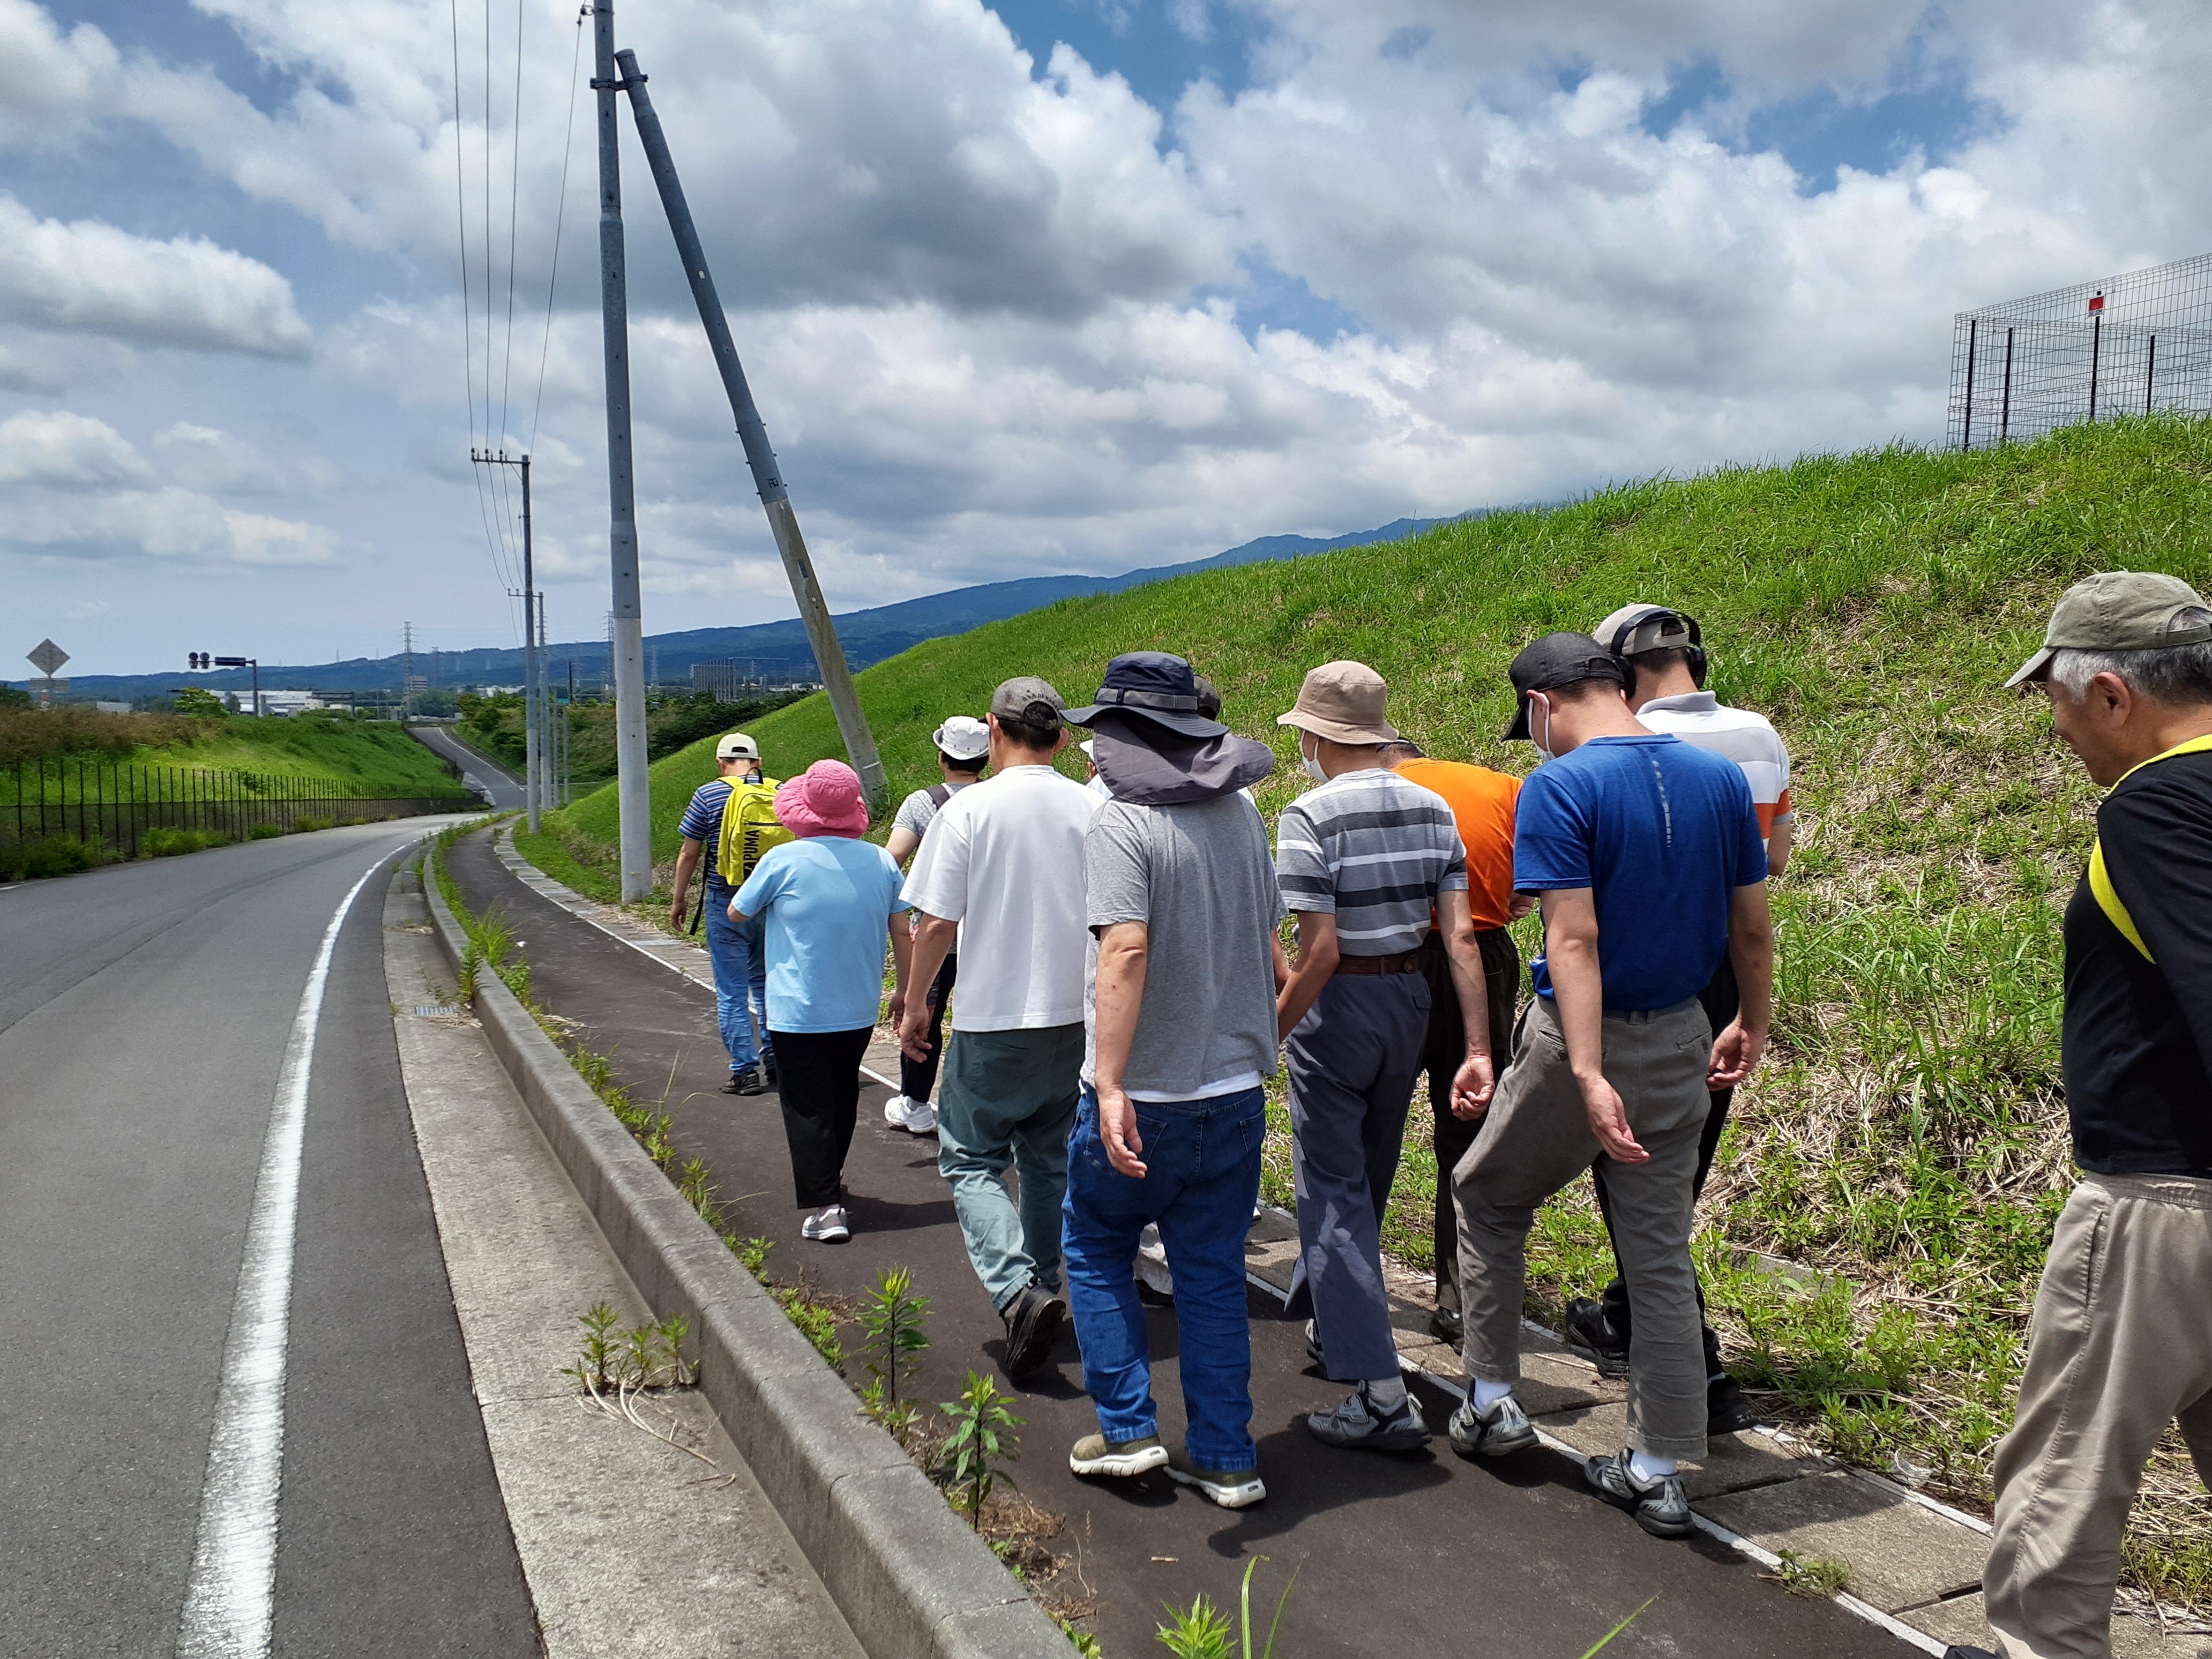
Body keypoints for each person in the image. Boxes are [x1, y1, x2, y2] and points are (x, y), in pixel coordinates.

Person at [1448, 633, 1772, 1541]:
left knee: (1486, 1195)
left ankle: (1489, 1402)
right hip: (1683, 1033)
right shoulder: (1718, 782)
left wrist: (1585, 1071)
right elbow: (1751, 925)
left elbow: (1572, 939)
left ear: (1542, 706)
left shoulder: (1560, 784)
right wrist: (1750, 1018)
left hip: (1577, 1042)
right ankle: (1656, 1467)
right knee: (1658, 1251)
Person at [1947, 573, 2212, 1659]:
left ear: (2110, 694)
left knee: (2062, 1483)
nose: (2054, 727)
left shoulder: (2157, 804)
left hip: (2162, 1208)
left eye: (2053, 699)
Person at [1561, 604, 1795, 1438]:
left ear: (1616, 673)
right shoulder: (1761, 737)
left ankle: (1697, 1366)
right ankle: (1634, 1314)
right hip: (1728, 971)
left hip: (1640, 973)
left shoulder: (1613, 740)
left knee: (1629, 1157)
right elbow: (1771, 862)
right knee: (1679, 1159)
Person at [1057, 653, 1283, 1507]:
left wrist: (1109, 1082)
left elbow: (1125, 947)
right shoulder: (1242, 814)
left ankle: (1128, 1432)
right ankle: (1226, 1455)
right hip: (1231, 1091)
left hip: (1143, 1093)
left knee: (1096, 1246)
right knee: (1214, 1272)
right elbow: (1268, 943)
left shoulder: (1122, 822)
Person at [1274, 660, 1496, 1453]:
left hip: (1338, 1008)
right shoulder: (1435, 810)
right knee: (1369, 1167)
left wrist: (1271, 1031)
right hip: (1411, 997)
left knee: (1330, 1189)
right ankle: (1335, 1314)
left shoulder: (1307, 815)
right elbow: (1462, 938)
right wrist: (1476, 1046)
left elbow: (1319, 949)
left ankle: (1379, 1390)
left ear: (1315, 735)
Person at [899, 677, 1101, 1377]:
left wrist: (915, 1001)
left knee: (971, 1157)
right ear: (1064, 738)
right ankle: (1043, 1288)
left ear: (993, 729)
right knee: (1047, 1161)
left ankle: (1017, 1293)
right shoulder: (1092, 807)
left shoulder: (968, 811)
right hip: (1075, 1016)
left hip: (993, 1017)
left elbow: (935, 924)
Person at [1376, 738, 1526, 1346]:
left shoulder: (1373, 793)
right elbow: (1528, 888)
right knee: (1470, 1130)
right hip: (1484, 958)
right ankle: (1462, 1297)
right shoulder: (1504, 786)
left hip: (1392, 963)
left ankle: (1344, 1293)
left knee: (1369, 1123)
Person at [729, 760, 911, 1244]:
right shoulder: (881, 861)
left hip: (797, 1006)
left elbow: (737, 910)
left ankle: (826, 1207)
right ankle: (829, 1180)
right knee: (841, 1095)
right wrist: (906, 991)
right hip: (857, 1004)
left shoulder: (782, 861)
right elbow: (902, 932)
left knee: (806, 1104)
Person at [881, 715, 991, 1135]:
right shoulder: (998, 798)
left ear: (942, 756)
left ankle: (914, 1103)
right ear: (985, 759)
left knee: (924, 1013)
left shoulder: (922, 802)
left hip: (933, 933)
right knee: (980, 1021)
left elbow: (892, 861)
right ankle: (979, 1108)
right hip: (988, 935)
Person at [670, 733, 778, 1095]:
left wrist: (679, 899)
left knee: (732, 992)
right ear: (758, 762)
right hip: (768, 901)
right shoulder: (777, 792)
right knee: (766, 984)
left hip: (725, 900)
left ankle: (744, 1071)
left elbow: (689, 853)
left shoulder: (708, 795)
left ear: (721, 764)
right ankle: (776, 1058)